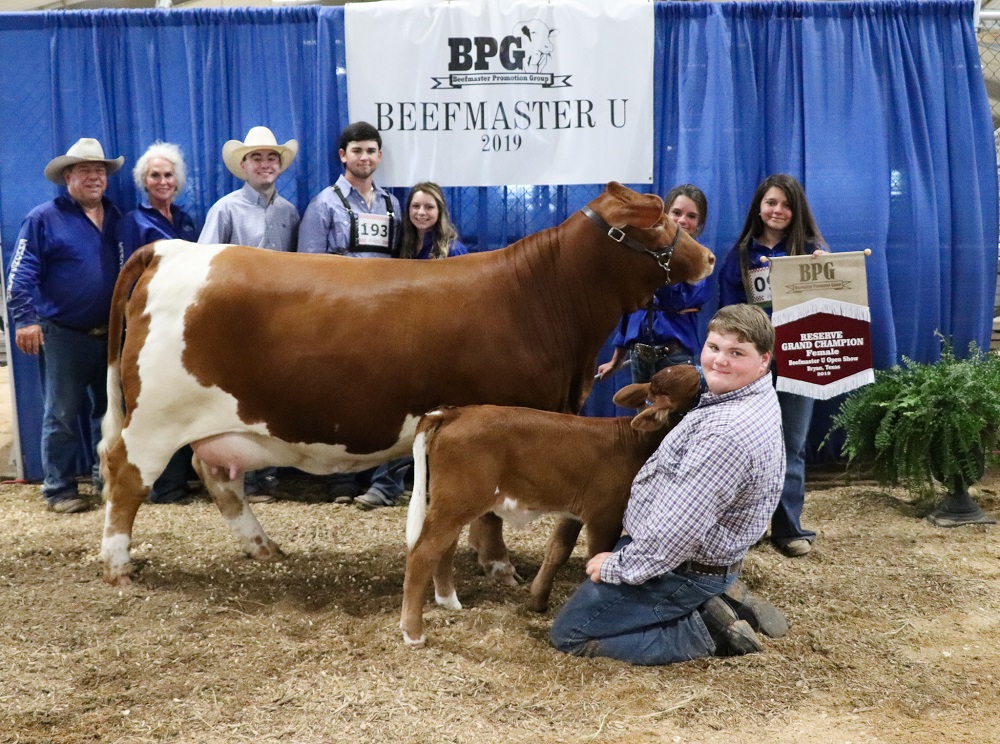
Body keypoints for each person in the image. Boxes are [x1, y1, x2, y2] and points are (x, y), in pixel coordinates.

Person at [550, 304, 786, 664]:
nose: (718, 361)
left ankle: (701, 629)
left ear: (764, 360)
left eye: (736, 353)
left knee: (570, 634)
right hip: (703, 556)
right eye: (714, 348)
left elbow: (676, 535)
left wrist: (618, 566)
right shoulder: (748, 394)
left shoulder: (723, 437)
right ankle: (716, 595)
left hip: (681, 567)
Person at [6, 138, 124, 514]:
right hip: (63, 334)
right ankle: (58, 488)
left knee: (109, 413)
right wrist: (25, 319)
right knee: (61, 413)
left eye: (100, 170)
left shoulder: (118, 217)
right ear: (67, 176)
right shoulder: (43, 218)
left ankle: (106, 480)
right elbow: (19, 273)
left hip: (111, 336)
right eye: (85, 170)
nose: (95, 177)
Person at [298, 121, 407, 509]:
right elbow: (309, 268)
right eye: (356, 151)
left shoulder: (393, 205)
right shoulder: (323, 204)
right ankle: (338, 479)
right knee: (338, 395)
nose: (364, 157)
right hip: (339, 317)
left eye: (371, 151)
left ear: (379, 156)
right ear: (343, 156)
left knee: (380, 396)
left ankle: (377, 475)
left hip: (382, 318)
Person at [719, 173, 828, 558]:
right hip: (756, 365)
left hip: (800, 360)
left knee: (792, 445)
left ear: (795, 210)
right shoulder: (740, 256)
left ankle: (787, 528)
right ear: (759, 208)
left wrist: (827, 273)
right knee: (744, 446)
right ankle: (739, 531)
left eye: (785, 204)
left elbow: (832, 308)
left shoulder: (812, 250)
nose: (778, 210)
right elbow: (729, 316)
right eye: (771, 203)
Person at [200, 125, 300, 503]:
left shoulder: (289, 212)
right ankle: (240, 474)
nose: (265, 164)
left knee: (271, 395)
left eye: (271, 157)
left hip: (278, 321)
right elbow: (204, 264)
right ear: (243, 166)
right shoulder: (225, 209)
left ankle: (266, 474)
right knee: (238, 397)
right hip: (237, 320)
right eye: (256, 157)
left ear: (280, 165)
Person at [118, 141, 198, 504]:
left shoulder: (184, 220)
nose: (163, 181)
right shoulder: (133, 223)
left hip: (182, 328)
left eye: (168, 175)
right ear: (143, 182)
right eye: (155, 175)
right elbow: (127, 278)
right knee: (152, 404)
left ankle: (179, 482)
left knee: (180, 400)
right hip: (151, 327)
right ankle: (160, 486)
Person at [597, 184, 710, 385]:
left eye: (691, 216)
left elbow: (679, 301)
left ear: (700, 223)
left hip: (676, 357)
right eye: (676, 212)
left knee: (677, 416)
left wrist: (658, 272)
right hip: (639, 357)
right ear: (665, 215)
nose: (683, 220)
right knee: (643, 415)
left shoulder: (699, 260)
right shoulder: (645, 255)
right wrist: (617, 359)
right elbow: (630, 310)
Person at [398, 181, 469, 259]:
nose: (421, 212)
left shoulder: (454, 250)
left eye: (429, 207)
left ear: (440, 210)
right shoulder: (403, 246)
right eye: (416, 206)